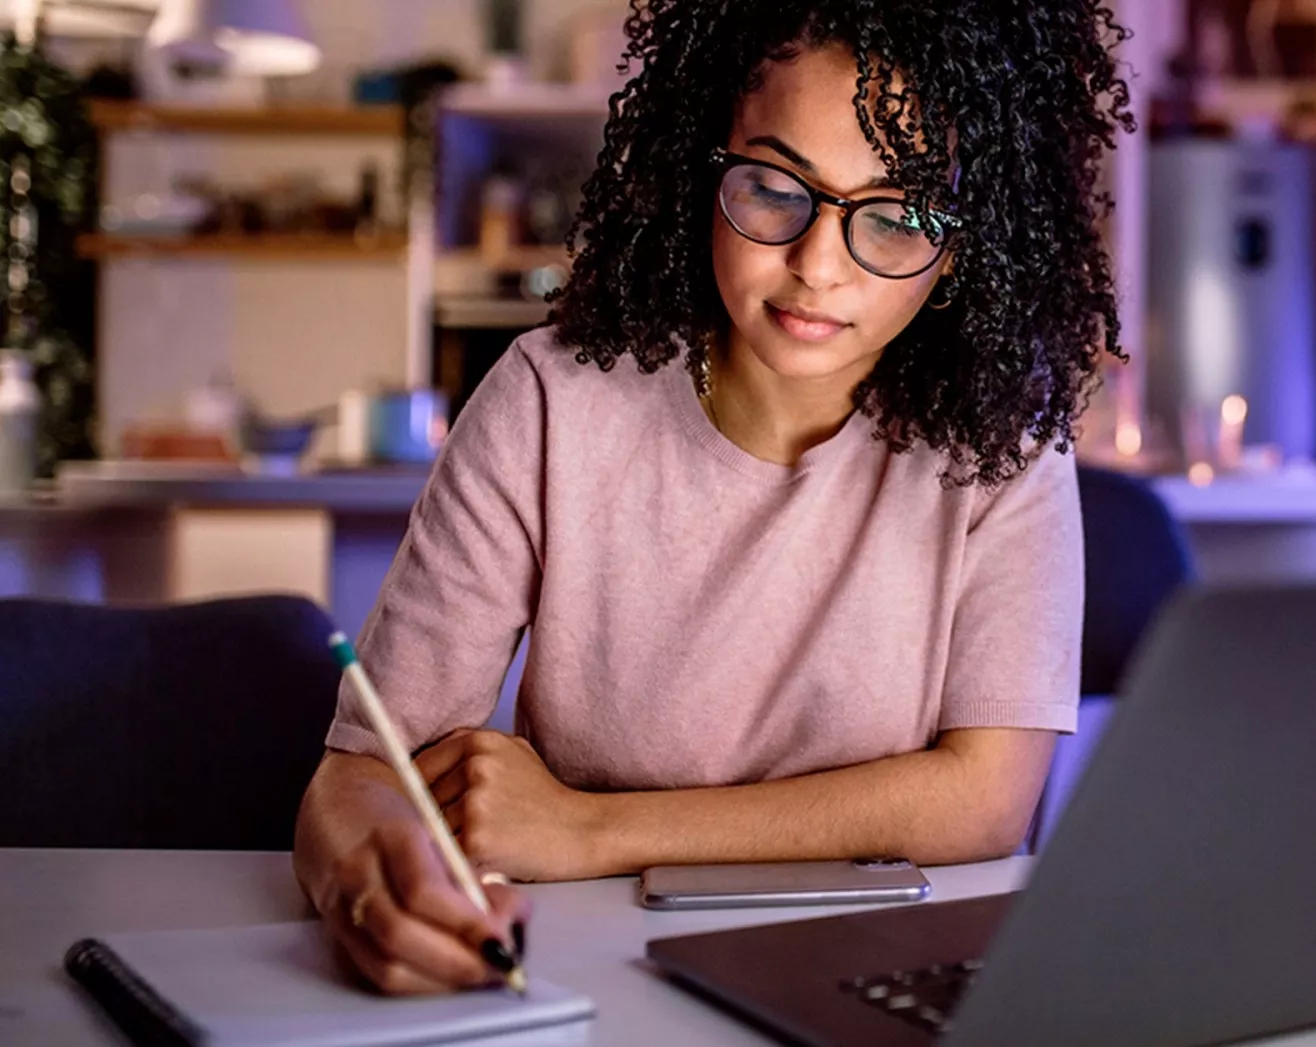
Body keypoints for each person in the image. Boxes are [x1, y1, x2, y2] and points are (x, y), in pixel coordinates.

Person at [292, 0, 1133, 996]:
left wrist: (586, 826)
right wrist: (371, 888)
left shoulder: (1004, 444)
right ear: (700, 163)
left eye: (899, 214)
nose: (818, 266)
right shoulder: (551, 400)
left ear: (965, 247)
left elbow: (984, 802)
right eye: (776, 187)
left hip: (879, 971)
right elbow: (361, 776)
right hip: (593, 975)